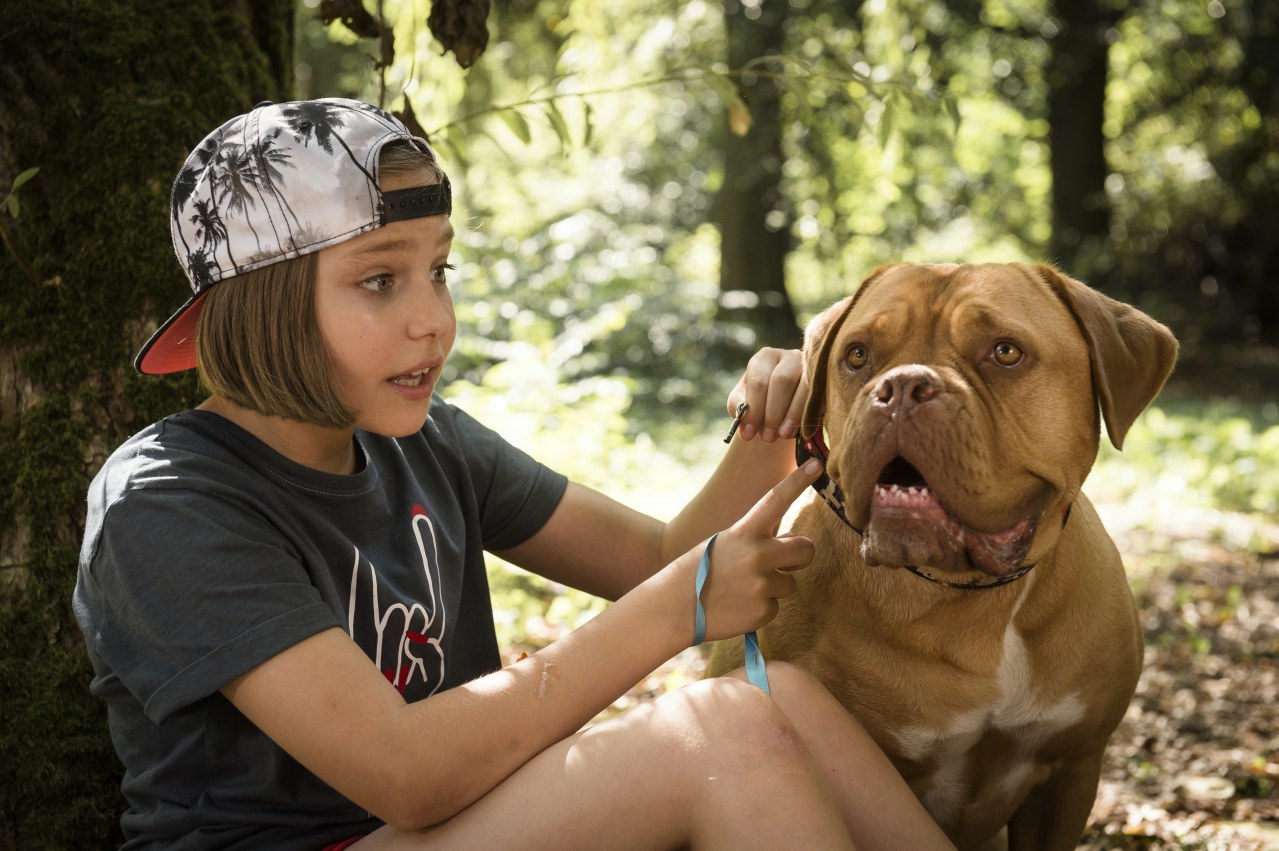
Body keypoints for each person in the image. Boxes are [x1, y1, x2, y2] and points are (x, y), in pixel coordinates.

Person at [73, 98, 953, 851]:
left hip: (455, 822)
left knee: (781, 693)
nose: (433, 322)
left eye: (438, 271)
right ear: (261, 303)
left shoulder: (428, 442)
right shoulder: (168, 501)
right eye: (379, 280)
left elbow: (661, 557)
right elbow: (406, 773)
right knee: (717, 730)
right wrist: (680, 604)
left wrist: (772, 422)